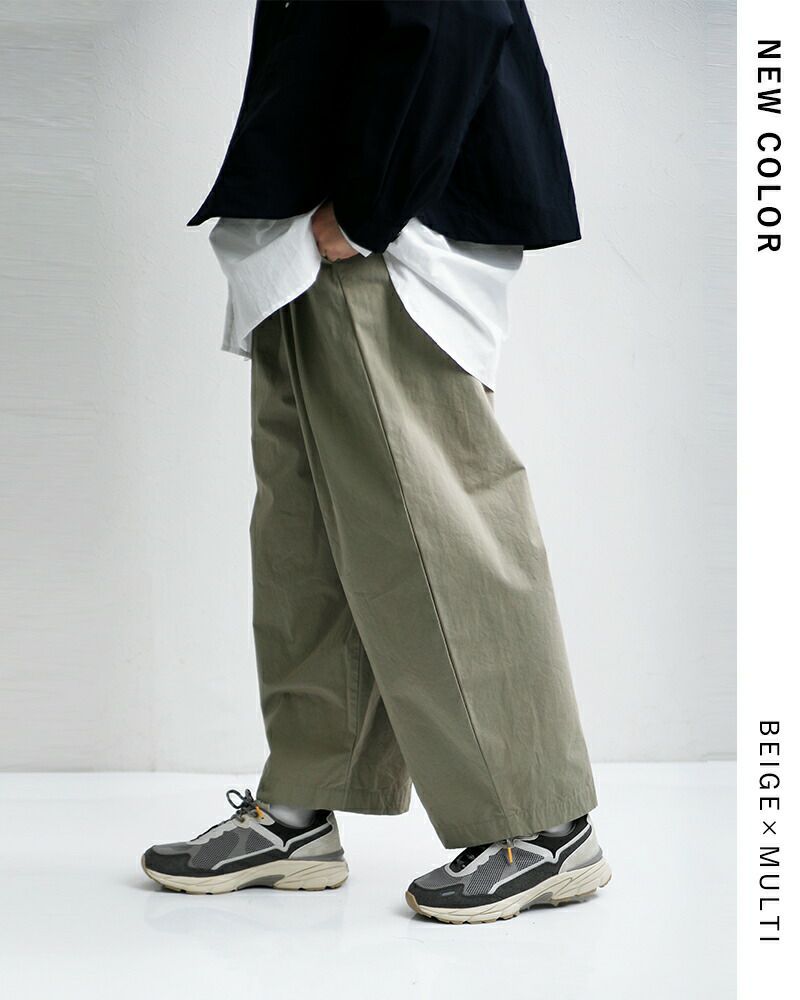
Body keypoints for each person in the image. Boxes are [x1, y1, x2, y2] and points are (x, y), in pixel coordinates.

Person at [141, 0, 610, 925]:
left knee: (437, 524)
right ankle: (300, 808)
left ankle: (546, 825)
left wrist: (364, 209)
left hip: (381, 230)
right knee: (305, 532)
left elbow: (454, 15)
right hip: (300, 226)